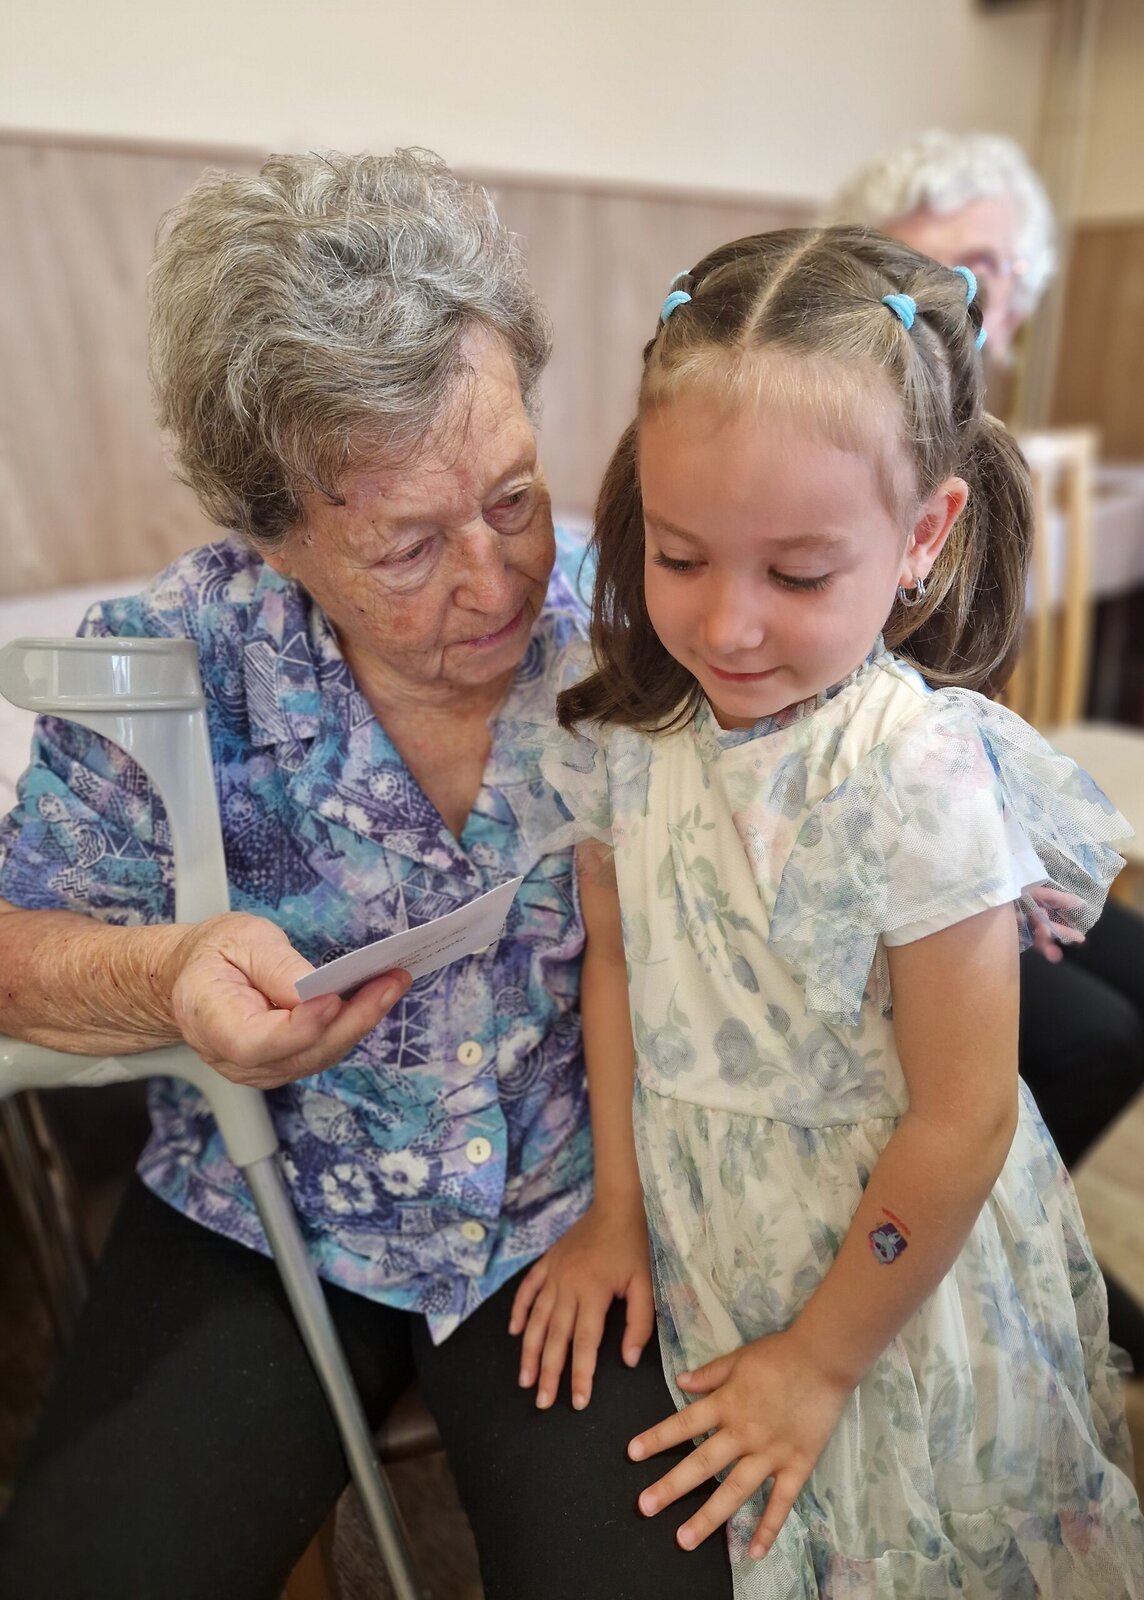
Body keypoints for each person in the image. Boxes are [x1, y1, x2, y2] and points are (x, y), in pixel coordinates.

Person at [0, 149, 735, 1600]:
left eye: (512, 498)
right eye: (405, 547)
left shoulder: (632, 627)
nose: (496, 580)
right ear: (275, 538)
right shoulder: (175, 663)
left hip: (564, 1206)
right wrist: (165, 974)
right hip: (263, 1204)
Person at [526, 230, 1144, 1595]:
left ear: (922, 534)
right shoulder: (626, 739)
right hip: (707, 1233)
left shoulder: (916, 775)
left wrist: (820, 1361)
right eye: (682, 556)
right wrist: (618, 1208)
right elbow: (616, 966)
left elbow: (964, 1116)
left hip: (886, 1286)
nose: (729, 627)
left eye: (799, 576)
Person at [827, 129, 1144, 1374]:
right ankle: (962, 1250)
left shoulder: (980, 453)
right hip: (854, 838)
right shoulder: (844, 435)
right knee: (1089, 1033)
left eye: (991, 271)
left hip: (943, 801)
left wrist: (1010, 840)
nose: (963, 299)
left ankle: (1022, 1225)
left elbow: (961, 703)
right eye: (933, 267)